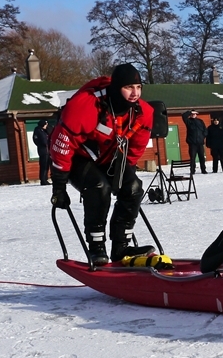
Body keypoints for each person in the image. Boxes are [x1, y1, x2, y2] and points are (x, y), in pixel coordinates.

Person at [48, 63, 156, 266]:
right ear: (117, 87)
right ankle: (97, 248)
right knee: (99, 188)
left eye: (138, 87)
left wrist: (126, 174)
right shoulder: (86, 105)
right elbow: (61, 144)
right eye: (129, 87)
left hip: (109, 156)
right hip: (76, 157)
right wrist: (59, 186)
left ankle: (121, 247)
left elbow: (135, 148)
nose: (135, 93)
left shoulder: (143, 112)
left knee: (133, 188)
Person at [183, 110, 208, 174]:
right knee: (192, 158)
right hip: (192, 143)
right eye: (192, 114)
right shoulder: (188, 121)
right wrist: (189, 112)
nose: (193, 115)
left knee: (202, 157)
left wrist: (203, 136)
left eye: (194, 114)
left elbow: (205, 130)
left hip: (200, 143)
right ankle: (192, 170)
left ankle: (203, 170)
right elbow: (183, 116)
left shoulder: (200, 121)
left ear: (196, 114)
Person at [32, 119, 51, 185]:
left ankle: (45, 179)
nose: (46, 126)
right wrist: (44, 144)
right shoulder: (38, 130)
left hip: (47, 150)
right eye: (46, 125)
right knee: (44, 165)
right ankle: (43, 180)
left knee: (47, 165)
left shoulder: (44, 130)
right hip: (43, 150)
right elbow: (39, 140)